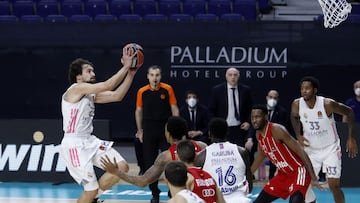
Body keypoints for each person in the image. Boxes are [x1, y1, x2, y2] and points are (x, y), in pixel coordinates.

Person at [60, 45, 139, 203]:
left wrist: (131, 74)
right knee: (90, 190)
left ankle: (94, 199)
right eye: (89, 71)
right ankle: (93, 196)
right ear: (78, 76)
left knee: (121, 167)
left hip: (89, 140)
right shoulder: (76, 89)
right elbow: (108, 85)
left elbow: (117, 95)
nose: (93, 73)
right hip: (74, 144)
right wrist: (125, 66)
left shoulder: (89, 94)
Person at [101, 116, 207, 200]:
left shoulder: (166, 157)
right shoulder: (202, 146)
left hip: (182, 198)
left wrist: (116, 172)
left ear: (168, 134)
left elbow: (142, 181)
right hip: (205, 194)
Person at [291, 76, 358, 203]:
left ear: (315, 90)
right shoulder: (297, 104)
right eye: (302, 88)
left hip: (330, 149)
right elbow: (293, 117)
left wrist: (351, 137)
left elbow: (349, 112)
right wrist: (298, 135)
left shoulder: (327, 104)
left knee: (334, 185)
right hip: (310, 150)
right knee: (304, 185)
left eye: (307, 88)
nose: (304, 91)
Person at [250, 105, 323, 203]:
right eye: (252, 117)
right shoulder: (258, 134)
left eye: (257, 117)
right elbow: (261, 155)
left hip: (298, 171)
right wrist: (248, 175)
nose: (254, 120)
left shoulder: (277, 130)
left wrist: (313, 177)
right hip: (283, 174)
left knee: (296, 200)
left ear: (266, 117)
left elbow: (301, 151)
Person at [134, 65, 180, 203]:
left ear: (161, 76)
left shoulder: (167, 89)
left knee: (170, 162)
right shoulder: (142, 91)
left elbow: (174, 109)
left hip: (165, 130)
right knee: (150, 164)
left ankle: (172, 191)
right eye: (152, 75)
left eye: (157, 75)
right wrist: (140, 130)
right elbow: (138, 111)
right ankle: (155, 193)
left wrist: (175, 129)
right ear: (148, 76)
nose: (155, 78)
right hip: (149, 130)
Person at [194, 117, 253, 203]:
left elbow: (198, 189)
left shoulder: (201, 156)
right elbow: (249, 186)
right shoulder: (242, 152)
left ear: (209, 134)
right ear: (227, 132)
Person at [208, 67, 253, 148]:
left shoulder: (245, 90)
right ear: (226, 76)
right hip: (223, 128)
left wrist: (248, 122)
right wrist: (217, 125)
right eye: (230, 75)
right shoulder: (217, 90)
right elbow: (211, 110)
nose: (233, 77)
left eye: (235, 75)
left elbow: (250, 109)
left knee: (240, 152)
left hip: (240, 128)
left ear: (238, 77)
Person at [265, 89, 293, 179]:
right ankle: (250, 175)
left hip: (274, 138)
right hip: (260, 137)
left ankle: (271, 176)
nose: (272, 99)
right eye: (271, 97)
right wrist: (250, 138)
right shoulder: (260, 110)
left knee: (275, 149)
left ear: (278, 100)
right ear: (266, 98)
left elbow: (282, 128)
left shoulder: (282, 112)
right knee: (249, 146)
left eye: (275, 98)